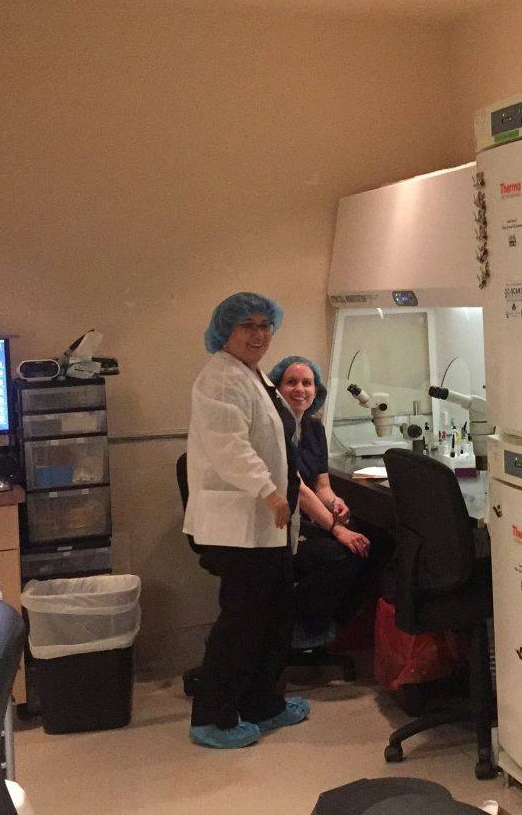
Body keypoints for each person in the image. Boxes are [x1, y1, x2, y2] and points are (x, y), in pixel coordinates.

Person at [183, 292, 311, 749]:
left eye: (264, 325)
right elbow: (230, 447)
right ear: (226, 331)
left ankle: (262, 704)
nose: (259, 334)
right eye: (247, 326)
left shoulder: (252, 374)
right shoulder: (221, 378)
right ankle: (212, 719)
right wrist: (270, 492)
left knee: (274, 617)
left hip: (265, 523)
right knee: (242, 623)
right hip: (239, 523)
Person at [267, 355, 379, 649]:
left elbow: (321, 485)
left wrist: (335, 503)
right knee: (342, 553)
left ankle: (330, 623)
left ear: (316, 390)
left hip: (309, 516)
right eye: (291, 382)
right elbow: (299, 490)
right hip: (280, 523)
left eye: (307, 383)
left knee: (377, 542)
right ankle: (298, 628)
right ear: (277, 388)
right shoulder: (275, 429)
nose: (300, 389)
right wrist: (337, 529)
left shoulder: (314, 428)